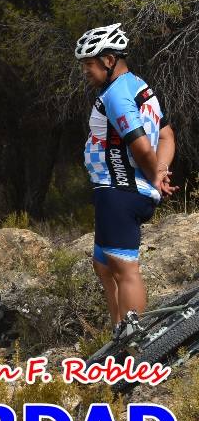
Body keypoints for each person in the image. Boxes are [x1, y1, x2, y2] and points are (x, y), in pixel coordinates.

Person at [76, 23, 176, 332]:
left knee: (123, 269)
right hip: (118, 190)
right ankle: (119, 332)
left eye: (89, 65)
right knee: (104, 264)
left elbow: (142, 146)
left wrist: (154, 176)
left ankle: (137, 345)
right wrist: (159, 173)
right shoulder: (138, 86)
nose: (85, 72)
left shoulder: (117, 94)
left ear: (108, 61)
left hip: (120, 189)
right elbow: (168, 136)